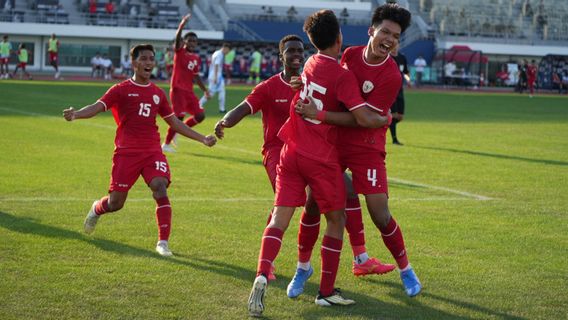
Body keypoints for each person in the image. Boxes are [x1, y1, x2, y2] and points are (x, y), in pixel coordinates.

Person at [247, 10, 375, 316]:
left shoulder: (310, 63)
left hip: (290, 151)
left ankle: (262, 273)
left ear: (312, 41)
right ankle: (326, 292)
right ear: (339, 37)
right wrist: (383, 117)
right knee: (336, 219)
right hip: (319, 156)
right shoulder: (341, 74)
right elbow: (362, 118)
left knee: (279, 217)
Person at [294, 3, 422, 298]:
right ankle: (303, 267)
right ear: (371, 31)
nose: (390, 40)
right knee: (313, 202)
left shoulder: (390, 75)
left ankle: (406, 269)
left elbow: (363, 121)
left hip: (367, 147)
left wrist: (319, 114)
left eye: (396, 36)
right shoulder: (348, 55)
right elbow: (331, 88)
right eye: (385, 32)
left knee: (380, 213)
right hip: (335, 144)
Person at [62, 44, 217, 257]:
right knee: (116, 203)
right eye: (143, 59)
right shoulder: (120, 90)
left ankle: (163, 243)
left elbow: (174, 123)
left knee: (160, 186)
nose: (148, 63)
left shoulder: (157, 94)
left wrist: (202, 138)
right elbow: (97, 107)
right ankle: (97, 208)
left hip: (152, 151)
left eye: (151, 59)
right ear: (134, 62)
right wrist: (77, 114)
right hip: (126, 152)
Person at [162, 14, 211, 153]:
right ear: (184, 42)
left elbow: (196, 77)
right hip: (177, 89)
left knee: (200, 116)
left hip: (189, 91)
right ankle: (165, 144)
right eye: (190, 41)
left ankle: (177, 131)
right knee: (179, 117)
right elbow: (177, 39)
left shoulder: (196, 58)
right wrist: (182, 25)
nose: (192, 43)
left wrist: (205, 90)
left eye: (195, 41)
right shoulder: (180, 52)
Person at [199, 42, 231, 114]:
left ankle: (222, 109)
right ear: (225, 48)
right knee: (211, 93)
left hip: (217, 75)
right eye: (228, 51)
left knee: (222, 91)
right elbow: (216, 65)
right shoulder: (219, 54)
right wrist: (216, 77)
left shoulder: (218, 53)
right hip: (215, 75)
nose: (228, 52)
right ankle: (199, 104)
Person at [390, 45, 410, 145]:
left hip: (400, 90)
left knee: (400, 116)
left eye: (397, 44)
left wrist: (409, 80)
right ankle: (394, 140)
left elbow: (406, 72)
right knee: (393, 115)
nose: (395, 46)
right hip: (390, 90)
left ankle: (382, 126)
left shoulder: (402, 58)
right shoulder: (387, 58)